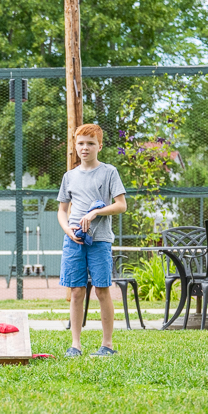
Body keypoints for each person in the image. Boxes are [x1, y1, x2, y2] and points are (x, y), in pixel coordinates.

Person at [57, 124, 127, 357]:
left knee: (102, 290)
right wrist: (68, 230)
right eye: (80, 143)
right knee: (77, 291)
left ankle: (107, 345)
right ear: (75, 146)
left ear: (100, 145)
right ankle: (75, 345)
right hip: (74, 241)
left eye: (90, 143)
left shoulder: (109, 172)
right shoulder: (69, 176)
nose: (85, 148)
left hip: (100, 241)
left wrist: (95, 212)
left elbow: (121, 205)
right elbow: (62, 211)